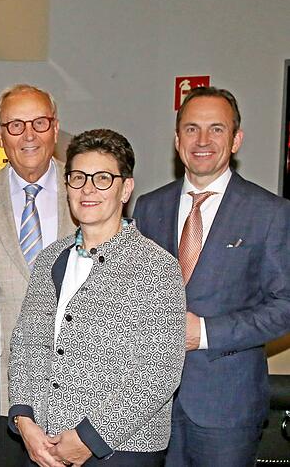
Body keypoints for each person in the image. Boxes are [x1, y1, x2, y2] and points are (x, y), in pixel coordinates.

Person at [133, 87, 290, 467]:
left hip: (227, 411)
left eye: (216, 129)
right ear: (176, 140)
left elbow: (285, 307)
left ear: (236, 140)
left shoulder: (269, 212)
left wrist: (203, 333)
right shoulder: (148, 208)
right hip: (148, 404)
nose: (202, 141)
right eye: (191, 129)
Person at [9, 129, 186, 467]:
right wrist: (24, 419)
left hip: (123, 451)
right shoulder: (50, 258)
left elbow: (158, 372)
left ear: (126, 188)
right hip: (45, 445)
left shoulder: (157, 267)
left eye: (103, 178)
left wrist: (89, 438)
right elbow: (27, 345)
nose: (88, 189)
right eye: (78, 178)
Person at [0, 84, 76, 467]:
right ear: (1, 135)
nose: (29, 135)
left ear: (55, 129)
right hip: (3, 395)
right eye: (16, 124)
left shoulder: (87, 191)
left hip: (82, 395)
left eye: (39, 122)